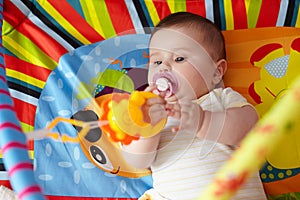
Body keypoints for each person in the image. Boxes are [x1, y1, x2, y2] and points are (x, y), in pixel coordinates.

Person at [122, 12, 266, 200]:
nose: (163, 68)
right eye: (156, 61)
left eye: (179, 59)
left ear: (216, 72)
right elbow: (137, 161)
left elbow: (248, 127)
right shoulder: (150, 113)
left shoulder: (220, 99)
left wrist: (203, 121)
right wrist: (147, 128)